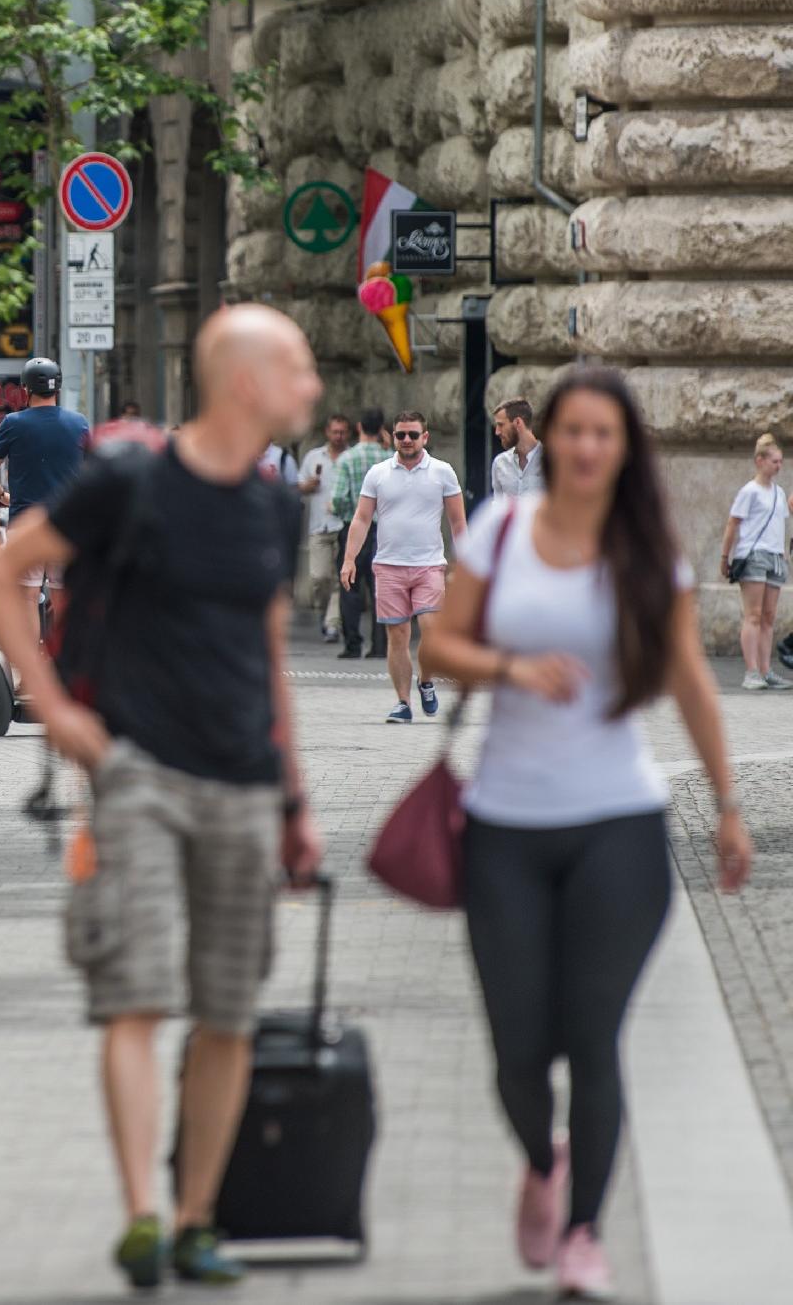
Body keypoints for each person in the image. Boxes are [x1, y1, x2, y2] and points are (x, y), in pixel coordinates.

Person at [0, 304, 322, 1290]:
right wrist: (49, 706)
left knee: (227, 1008)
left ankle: (194, 1216)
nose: (310, 388)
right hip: (136, 776)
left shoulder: (272, 505)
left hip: (244, 786)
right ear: (246, 381)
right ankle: (139, 1212)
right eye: (296, 369)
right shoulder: (128, 483)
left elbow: (267, 659)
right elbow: (0, 570)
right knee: (134, 994)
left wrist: (294, 797)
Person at [419, 366, 753, 1299]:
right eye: (573, 431)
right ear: (549, 439)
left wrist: (728, 805)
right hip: (506, 826)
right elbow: (442, 645)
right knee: (519, 1049)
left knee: (594, 1033)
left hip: (619, 824)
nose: (588, 447)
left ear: (623, 447)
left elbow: (690, 679)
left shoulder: (646, 550)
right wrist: (512, 669)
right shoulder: (502, 531)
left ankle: (584, 1232)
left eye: (606, 433)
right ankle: (541, 1157)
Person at [339, 410, 465, 722]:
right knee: (398, 636)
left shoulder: (443, 471)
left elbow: (457, 521)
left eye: (412, 434)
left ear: (425, 437)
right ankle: (403, 703)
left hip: (429, 565)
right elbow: (362, 518)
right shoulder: (378, 473)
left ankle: (425, 680)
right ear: (392, 437)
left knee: (432, 633)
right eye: (400, 435)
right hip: (388, 565)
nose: (406, 440)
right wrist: (349, 559)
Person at [0, 356, 90, 610]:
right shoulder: (79, 423)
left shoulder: (13, 423)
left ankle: (30, 651)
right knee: (64, 599)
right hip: (66, 523)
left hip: (24, 521)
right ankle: (62, 651)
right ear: (58, 388)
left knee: (27, 599)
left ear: (25, 389)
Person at [722, 433, 792, 691]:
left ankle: (766, 670)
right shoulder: (749, 491)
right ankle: (751, 671)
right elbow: (733, 524)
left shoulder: (779, 492)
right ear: (759, 460)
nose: (779, 466)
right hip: (752, 555)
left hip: (775, 556)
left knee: (769, 616)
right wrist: (724, 556)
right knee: (753, 614)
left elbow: (783, 518)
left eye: (781, 461)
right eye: (774, 461)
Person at [330, 410, 389, 660]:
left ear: (358, 427)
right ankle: (379, 645)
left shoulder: (347, 458)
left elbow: (339, 497)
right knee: (380, 588)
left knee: (350, 586)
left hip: (354, 527)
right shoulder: (390, 458)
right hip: (384, 529)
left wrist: (345, 513)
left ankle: (352, 643)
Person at [297, 414, 350, 643]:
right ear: (327, 433)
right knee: (319, 577)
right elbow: (299, 484)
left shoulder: (351, 457)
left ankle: (332, 624)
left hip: (343, 524)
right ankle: (323, 611)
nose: (338, 436)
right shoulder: (313, 457)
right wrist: (308, 486)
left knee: (340, 578)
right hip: (319, 525)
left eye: (342, 432)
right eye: (334, 432)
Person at [490, 397, 545, 500]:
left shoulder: (552, 461)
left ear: (518, 423)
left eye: (501, 425)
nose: (497, 432)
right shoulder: (500, 463)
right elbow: (498, 506)